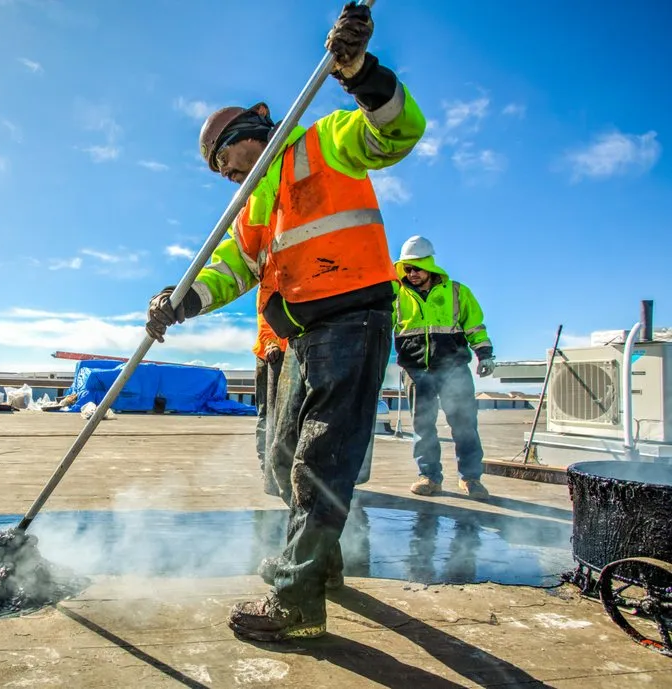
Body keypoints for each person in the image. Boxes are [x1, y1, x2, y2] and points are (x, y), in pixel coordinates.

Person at [145, 3, 425, 641]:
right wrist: (180, 300)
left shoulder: (322, 142)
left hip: (351, 317)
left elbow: (394, 133)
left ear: (254, 128)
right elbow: (230, 269)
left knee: (321, 461)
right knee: (280, 461)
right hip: (297, 339)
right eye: (217, 169)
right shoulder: (255, 203)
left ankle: (297, 604)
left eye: (226, 156)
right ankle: (323, 566)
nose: (225, 174)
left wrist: (360, 73)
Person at [393, 236, 494, 500]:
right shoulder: (396, 296)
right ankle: (429, 477)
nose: (411, 274)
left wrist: (484, 355)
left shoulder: (457, 292)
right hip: (416, 370)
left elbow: (475, 326)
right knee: (423, 426)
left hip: (454, 369)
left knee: (464, 425)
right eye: (407, 268)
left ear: (429, 266)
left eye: (416, 268)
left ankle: (471, 478)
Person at [253, 305, 286, 497]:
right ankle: (268, 470)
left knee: (291, 415)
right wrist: (270, 342)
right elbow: (265, 310)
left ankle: (286, 470)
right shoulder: (274, 276)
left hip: (295, 352)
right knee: (268, 415)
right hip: (270, 354)